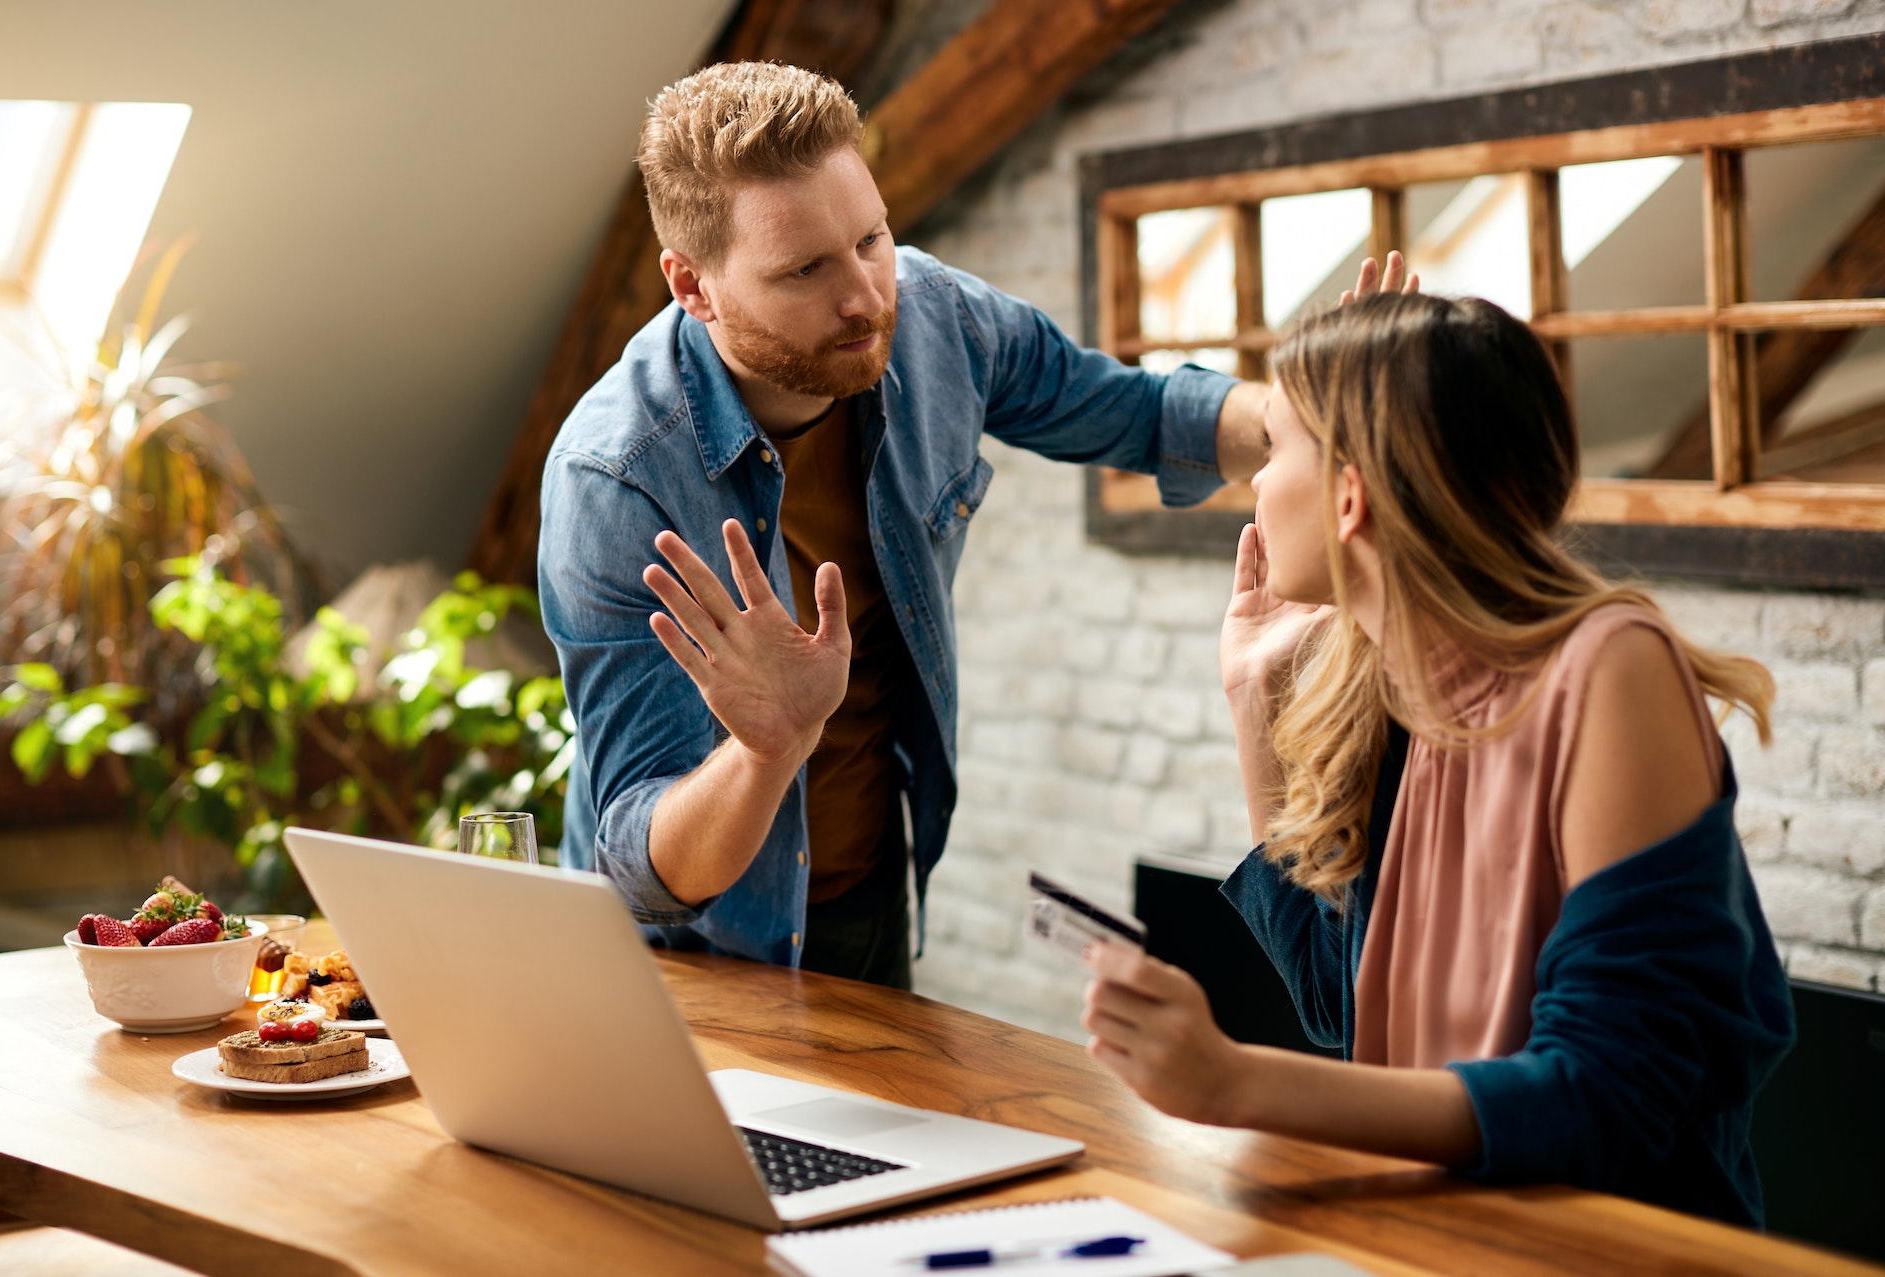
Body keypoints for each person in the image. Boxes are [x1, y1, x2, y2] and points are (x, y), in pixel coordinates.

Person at [538, 61, 1297, 985]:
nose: (864, 294)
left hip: (866, 898)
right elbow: (639, 864)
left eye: (872, 238)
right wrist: (768, 747)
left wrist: (1302, 416)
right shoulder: (613, 480)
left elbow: (1135, 412)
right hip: (685, 961)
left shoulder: (933, 317)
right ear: (691, 286)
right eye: (806, 269)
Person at [1078, 291, 1796, 1226]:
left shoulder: (1611, 669)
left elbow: (1611, 1088)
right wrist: (1255, 698)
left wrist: (1235, 1084)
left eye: (1275, 447)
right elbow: (1342, 1004)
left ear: (1348, 495)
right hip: (1431, 1232)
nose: (1252, 482)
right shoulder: (1400, 692)